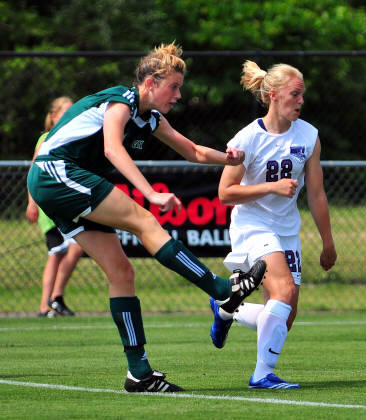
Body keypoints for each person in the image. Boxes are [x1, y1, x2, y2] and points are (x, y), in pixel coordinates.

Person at [27, 43, 266, 393]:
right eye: (174, 86)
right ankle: (221, 290)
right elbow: (112, 148)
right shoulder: (121, 101)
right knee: (145, 221)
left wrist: (229, 159)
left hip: (61, 182)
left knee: (122, 273)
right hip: (56, 173)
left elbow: (193, 151)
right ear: (151, 83)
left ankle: (139, 373)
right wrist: (151, 194)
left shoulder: (150, 118)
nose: (178, 95)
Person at [208, 60, 337, 389]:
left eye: (302, 95)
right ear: (274, 95)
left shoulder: (309, 136)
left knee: (285, 316)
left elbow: (317, 194)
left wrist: (328, 242)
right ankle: (262, 374)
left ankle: (227, 308)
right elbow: (225, 193)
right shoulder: (248, 138)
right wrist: (271, 187)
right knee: (284, 291)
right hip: (252, 225)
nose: (301, 101)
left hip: (287, 230)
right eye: (295, 94)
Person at [26, 97, 84, 317]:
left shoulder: (73, 137)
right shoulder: (46, 138)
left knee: (75, 247)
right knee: (57, 252)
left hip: (66, 203)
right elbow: (34, 170)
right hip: (49, 205)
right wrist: (32, 202)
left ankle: (55, 298)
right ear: (53, 116)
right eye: (64, 112)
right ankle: (46, 304)